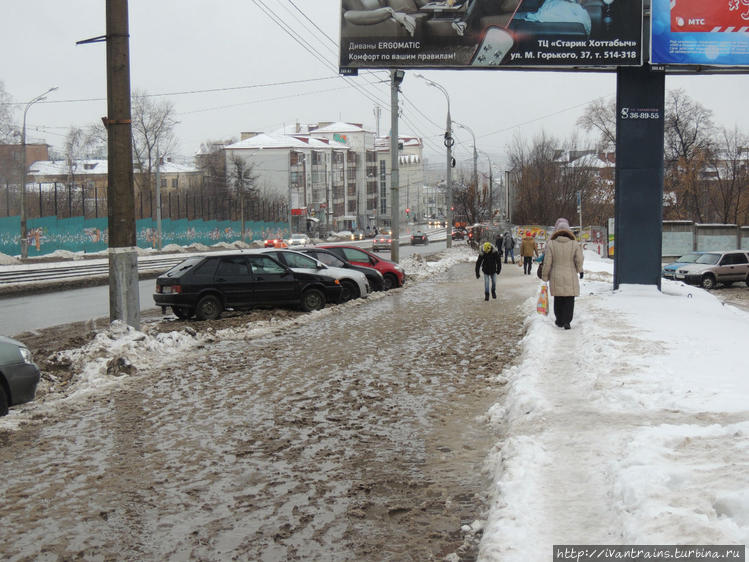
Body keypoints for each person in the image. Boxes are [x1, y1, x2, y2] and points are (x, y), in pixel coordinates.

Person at [540, 218, 584, 329]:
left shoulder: (551, 244)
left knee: (558, 299)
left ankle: (559, 320)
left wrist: (545, 276)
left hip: (556, 276)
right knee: (569, 299)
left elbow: (547, 262)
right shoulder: (574, 244)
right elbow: (579, 259)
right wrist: (580, 270)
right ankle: (567, 321)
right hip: (571, 275)